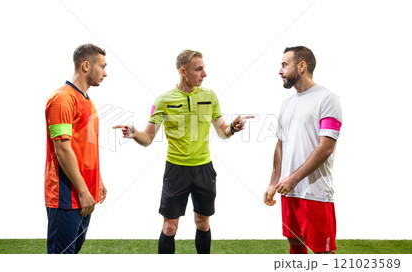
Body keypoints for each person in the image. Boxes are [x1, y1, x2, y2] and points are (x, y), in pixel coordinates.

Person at [114, 49, 253, 254]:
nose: (204, 73)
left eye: (204, 68)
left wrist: (233, 127)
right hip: (176, 171)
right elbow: (148, 138)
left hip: (203, 169)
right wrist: (134, 133)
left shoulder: (210, 96)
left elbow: (223, 132)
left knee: (202, 223)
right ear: (183, 71)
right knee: (170, 227)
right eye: (199, 69)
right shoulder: (163, 101)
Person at [264, 46, 342, 254]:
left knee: (322, 254)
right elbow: (281, 144)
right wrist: (275, 181)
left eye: (284, 65)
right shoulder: (287, 104)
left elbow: (325, 148)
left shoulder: (328, 99)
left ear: (301, 67)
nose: (280, 71)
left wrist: (293, 179)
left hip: (315, 193)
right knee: (295, 248)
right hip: (289, 192)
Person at [44, 43, 108, 254]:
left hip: (85, 193)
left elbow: (87, 147)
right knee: (61, 254)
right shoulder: (63, 99)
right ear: (86, 66)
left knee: (74, 251)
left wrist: (97, 180)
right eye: (102, 66)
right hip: (67, 193)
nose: (105, 73)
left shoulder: (87, 102)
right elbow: (62, 149)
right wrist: (82, 190)